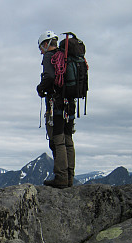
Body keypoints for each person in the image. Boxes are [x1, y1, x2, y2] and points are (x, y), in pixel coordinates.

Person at [37, 30, 76, 188]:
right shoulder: (65, 56)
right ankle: (70, 177)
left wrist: (40, 88)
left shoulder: (49, 56)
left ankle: (61, 178)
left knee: (58, 141)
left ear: (46, 44)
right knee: (68, 140)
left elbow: (50, 77)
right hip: (70, 104)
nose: (40, 51)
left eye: (41, 47)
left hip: (57, 104)